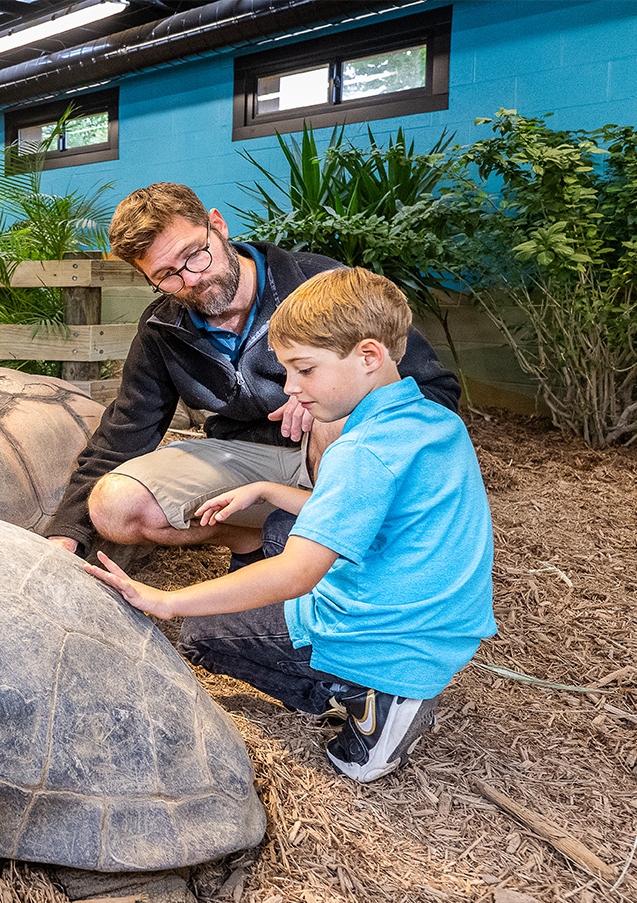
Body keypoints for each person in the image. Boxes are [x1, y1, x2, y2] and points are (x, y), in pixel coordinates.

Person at [85, 267, 496, 781]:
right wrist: (265, 489)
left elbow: (296, 574)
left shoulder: (362, 450)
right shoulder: (432, 420)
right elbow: (371, 510)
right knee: (279, 526)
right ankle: (388, 679)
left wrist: (167, 601)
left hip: (388, 638)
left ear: (369, 356)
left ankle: (368, 696)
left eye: (304, 370)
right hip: (441, 622)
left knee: (200, 634)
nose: (291, 389)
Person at [44, 182, 460, 567]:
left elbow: (434, 390)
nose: (191, 279)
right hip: (243, 457)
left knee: (334, 422)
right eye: (167, 276)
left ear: (218, 225)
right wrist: (66, 532)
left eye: (194, 254)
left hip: (338, 458)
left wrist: (333, 399)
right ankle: (256, 538)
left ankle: (332, 551)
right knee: (115, 507)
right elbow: (125, 432)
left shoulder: (321, 285)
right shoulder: (162, 328)